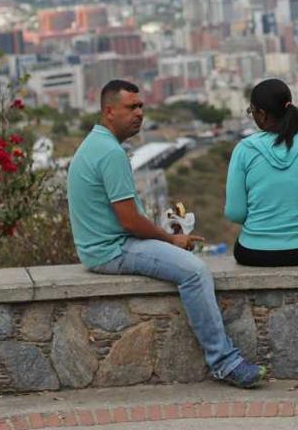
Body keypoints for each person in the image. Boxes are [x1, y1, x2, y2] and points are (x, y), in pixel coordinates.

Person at [67, 79, 266, 388]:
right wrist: (171, 239)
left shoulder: (95, 144)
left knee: (187, 263)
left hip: (102, 245)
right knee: (195, 272)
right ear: (109, 111)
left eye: (141, 106)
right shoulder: (110, 154)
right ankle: (224, 362)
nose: (139, 113)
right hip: (112, 249)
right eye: (131, 107)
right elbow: (130, 222)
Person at [226, 79, 298, 266]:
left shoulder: (244, 150)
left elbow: (235, 213)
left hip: (256, 253)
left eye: (251, 111)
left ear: (261, 114)